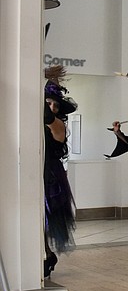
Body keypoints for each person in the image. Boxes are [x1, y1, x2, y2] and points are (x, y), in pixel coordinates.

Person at [43, 77, 78, 278]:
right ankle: (46, 255)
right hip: (36, 171)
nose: (53, 107)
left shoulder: (57, 125)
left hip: (51, 176)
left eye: (56, 105)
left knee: (46, 219)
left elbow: (47, 116)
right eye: (49, 103)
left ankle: (47, 256)